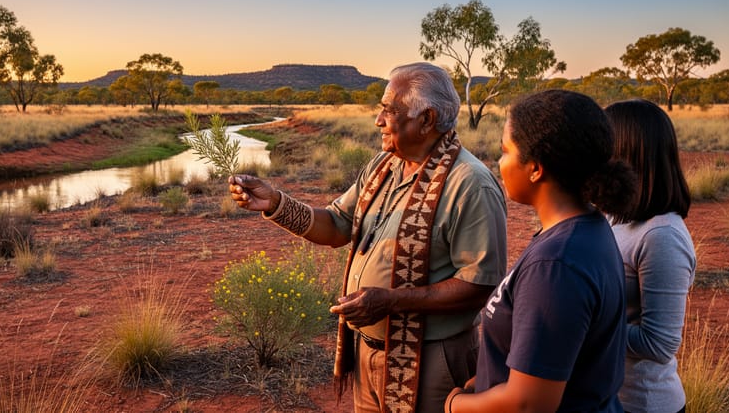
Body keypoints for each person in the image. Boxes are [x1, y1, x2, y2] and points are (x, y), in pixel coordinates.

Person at [228, 62, 508, 413]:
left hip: (431, 360)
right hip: (368, 354)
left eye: (389, 111)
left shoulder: (469, 184)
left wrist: (391, 301)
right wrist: (277, 203)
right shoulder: (383, 166)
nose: (378, 120)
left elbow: (481, 284)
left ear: (427, 120)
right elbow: (336, 225)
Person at [445, 89, 635, 412]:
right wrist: (490, 378)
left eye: (505, 151)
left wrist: (456, 405)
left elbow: (528, 403)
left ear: (535, 168)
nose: (499, 162)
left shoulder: (556, 264)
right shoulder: (587, 229)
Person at [603, 99, 696, 413]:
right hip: (606, 397)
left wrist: (584, 325)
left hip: (642, 403)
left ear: (627, 153)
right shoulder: (615, 217)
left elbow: (659, 344)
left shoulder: (662, 235)